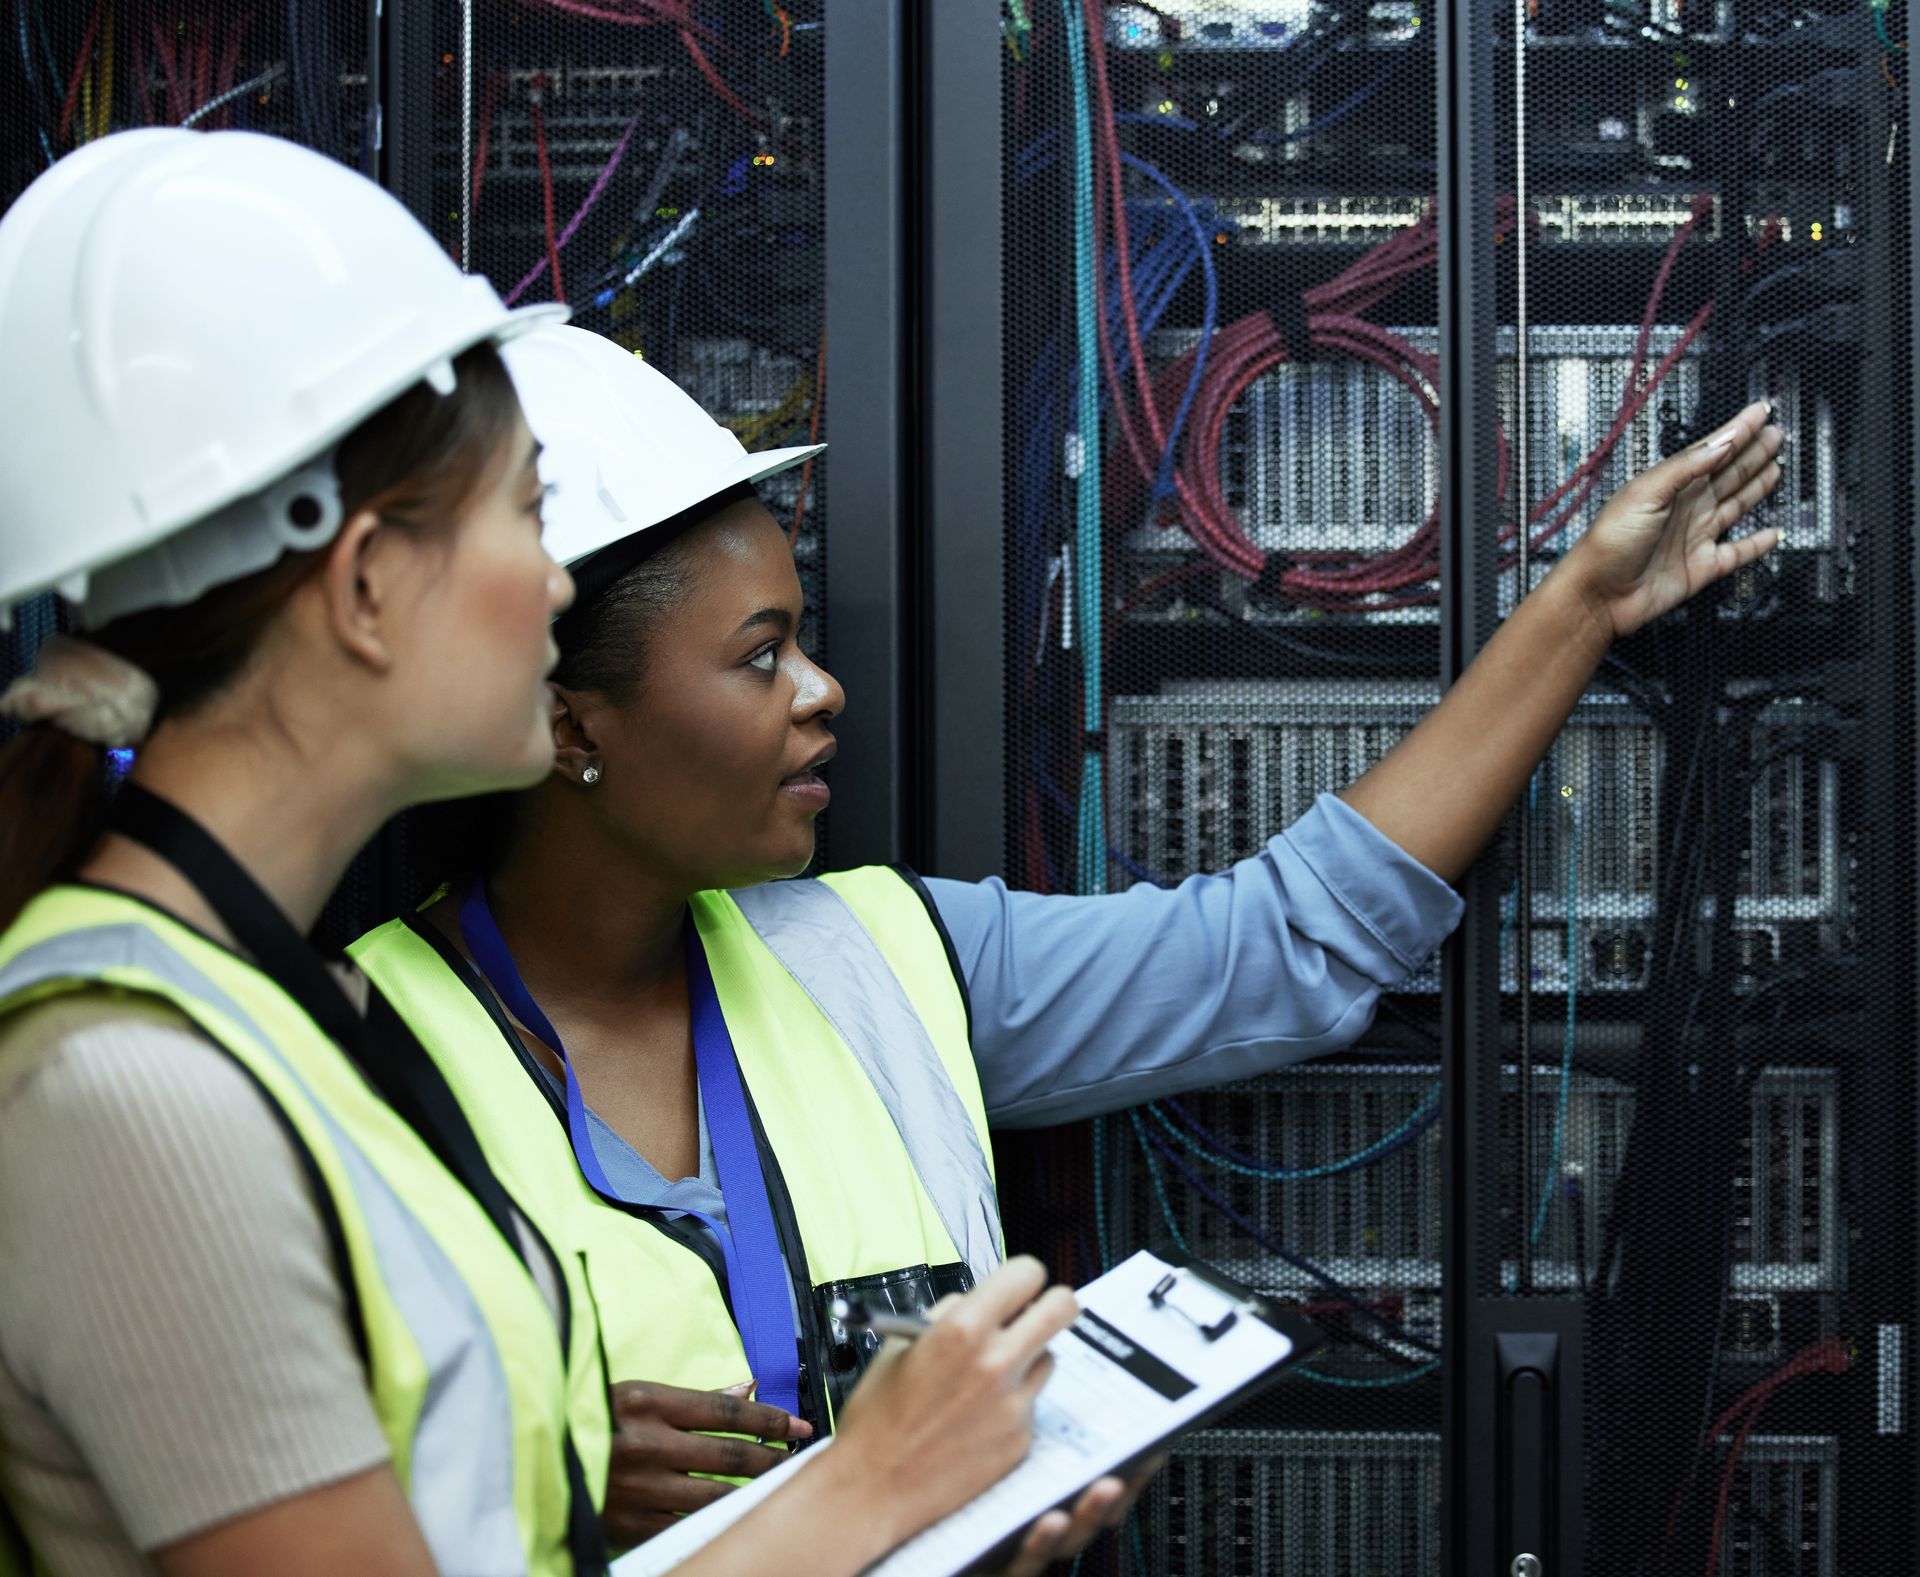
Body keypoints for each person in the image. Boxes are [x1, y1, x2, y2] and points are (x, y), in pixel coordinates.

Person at [351, 324, 1784, 1526]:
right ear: (569, 722)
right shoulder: (336, 1057)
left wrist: (1583, 607)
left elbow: (1287, 941)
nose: (822, 690)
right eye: (760, 656)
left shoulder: (884, 956)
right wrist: (533, 1480)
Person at [0, 131, 1115, 1577]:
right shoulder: (130, 1091)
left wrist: (911, 1536)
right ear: (366, 587)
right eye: (532, 517)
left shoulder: (287, 1021)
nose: (560, 583)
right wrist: (868, 1490)